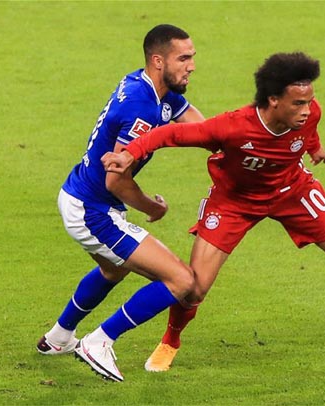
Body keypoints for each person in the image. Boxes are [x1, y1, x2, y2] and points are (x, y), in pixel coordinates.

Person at [101, 51, 325, 373]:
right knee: (193, 289)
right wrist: (128, 155)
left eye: (310, 101)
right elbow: (169, 136)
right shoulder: (231, 127)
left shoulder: (309, 114)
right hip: (234, 202)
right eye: (298, 103)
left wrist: (315, 150)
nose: (307, 110)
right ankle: (171, 341)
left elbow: (309, 132)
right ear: (273, 100)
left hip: (294, 191)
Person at [36, 24, 205, 382]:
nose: (191, 66)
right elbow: (116, 179)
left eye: (192, 57)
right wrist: (151, 207)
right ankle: (99, 341)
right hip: (93, 210)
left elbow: (203, 129)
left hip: (80, 194)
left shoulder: (152, 87)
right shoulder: (142, 110)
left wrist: (239, 140)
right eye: (184, 58)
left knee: (113, 270)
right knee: (181, 280)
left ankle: (60, 337)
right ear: (159, 61)